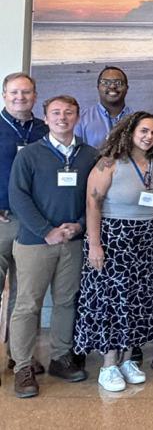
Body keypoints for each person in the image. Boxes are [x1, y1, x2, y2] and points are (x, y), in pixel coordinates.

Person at [74, 111, 153, 393]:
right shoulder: (109, 163)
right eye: (143, 131)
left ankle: (129, 359)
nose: (149, 137)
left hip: (146, 239)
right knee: (112, 301)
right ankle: (108, 365)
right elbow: (92, 204)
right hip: (112, 238)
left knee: (139, 300)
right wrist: (95, 244)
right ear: (130, 131)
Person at [7, 96, 97, 398]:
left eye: (69, 112)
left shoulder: (90, 155)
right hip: (35, 243)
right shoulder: (30, 155)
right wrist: (46, 231)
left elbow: (96, 198)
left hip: (72, 243)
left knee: (66, 302)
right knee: (27, 305)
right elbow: (18, 196)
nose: (62, 118)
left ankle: (61, 357)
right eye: (56, 113)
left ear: (78, 116)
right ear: (45, 118)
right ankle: (22, 367)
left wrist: (81, 225)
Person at [0, 73, 48, 379]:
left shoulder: (44, 130)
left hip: (34, 224)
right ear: (4, 95)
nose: (21, 97)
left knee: (25, 295)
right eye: (14, 92)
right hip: (2, 220)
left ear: (35, 95)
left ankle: (20, 357)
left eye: (27, 92)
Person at [75, 66, 133, 148]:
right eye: (105, 82)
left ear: (127, 88)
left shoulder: (138, 119)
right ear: (98, 87)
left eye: (118, 83)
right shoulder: (80, 119)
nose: (112, 86)